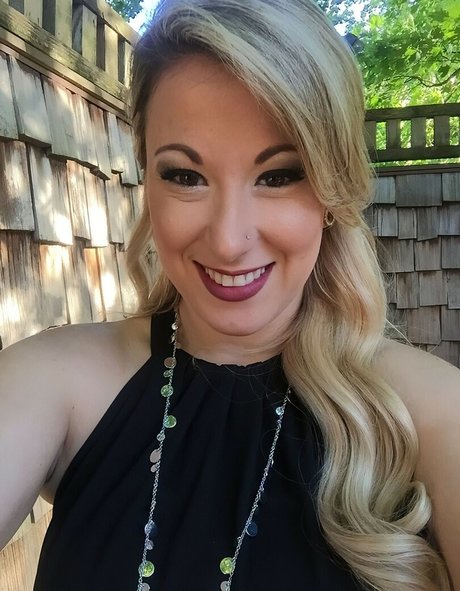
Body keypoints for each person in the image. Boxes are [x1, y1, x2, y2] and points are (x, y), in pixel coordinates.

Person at [0, 0, 459, 589]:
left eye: (279, 175)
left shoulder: (431, 415)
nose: (228, 240)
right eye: (185, 176)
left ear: (332, 193)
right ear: (148, 181)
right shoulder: (51, 381)